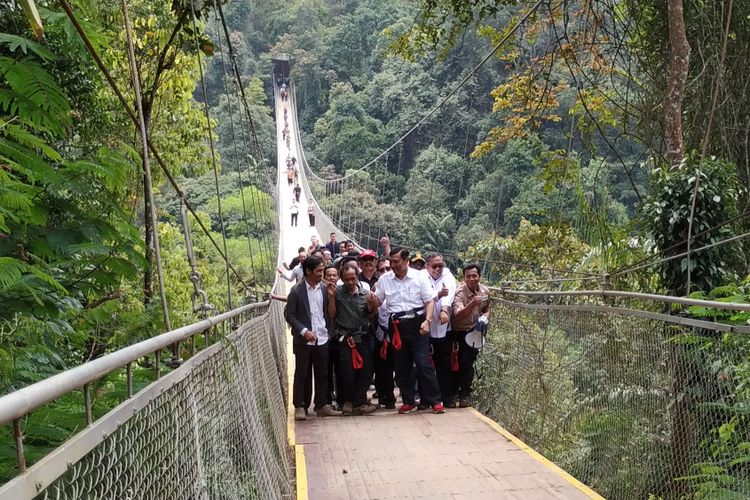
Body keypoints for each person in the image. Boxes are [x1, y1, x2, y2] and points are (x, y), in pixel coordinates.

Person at [370, 247, 444, 414]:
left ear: (406, 261)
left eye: (396, 262)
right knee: (401, 365)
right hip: (396, 325)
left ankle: (435, 400)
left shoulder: (419, 277)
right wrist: (371, 301)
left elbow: (430, 301)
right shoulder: (384, 280)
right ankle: (408, 401)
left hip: (418, 324)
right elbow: (377, 303)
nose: (393, 265)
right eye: (391, 262)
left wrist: (427, 321)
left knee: (423, 363)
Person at [284, 256, 342, 420]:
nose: (321, 274)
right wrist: (304, 331)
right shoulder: (296, 291)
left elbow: (331, 315)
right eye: (318, 271)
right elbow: (289, 314)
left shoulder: (324, 289)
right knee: (302, 373)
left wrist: (331, 297)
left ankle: (321, 405)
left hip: (322, 338)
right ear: (308, 271)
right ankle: (301, 406)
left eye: (322, 270)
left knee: (323, 372)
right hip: (304, 340)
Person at [328, 263, 378, 416]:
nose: (350, 282)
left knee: (366, 370)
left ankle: (360, 400)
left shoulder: (366, 293)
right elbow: (332, 315)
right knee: (346, 370)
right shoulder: (337, 292)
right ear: (342, 279)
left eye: (353, 278)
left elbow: (370, 315)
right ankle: (347, 401)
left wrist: (371, 306)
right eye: (346, 279)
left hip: (363, 337)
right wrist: (331, 298)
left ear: (357, 277)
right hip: (345, 338)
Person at [450, 264, 491, 408]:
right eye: (468, 276)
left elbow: (487, 308)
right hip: (457, 332)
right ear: (464, 278)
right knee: (456, 362)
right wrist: (472, 304)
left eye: (474, 276)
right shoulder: (460, 293)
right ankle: (453, 392)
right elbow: (459, 315)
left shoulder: (485, 290)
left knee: (468, 363)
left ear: (479, 277)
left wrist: (485, 317)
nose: (472, 279)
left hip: (474, 331)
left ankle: (464, 394)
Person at [422, 253, 458, 407]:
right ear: (427, 265)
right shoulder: (421, 277)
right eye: (434, 266)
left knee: (444, 364)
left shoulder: (448, 276)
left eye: (440, 266)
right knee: (425, 365)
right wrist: (437, 295)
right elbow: (422, 297)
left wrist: (444, 310)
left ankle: (446, 398)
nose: (437, 269)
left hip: (444, 328)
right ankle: (425, 399)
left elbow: (448, 295)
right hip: (425, 327)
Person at [372, 256, 396, 409]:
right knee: (382, 367)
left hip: (397, 333)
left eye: (388, 268)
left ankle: (394, 396)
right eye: (382, 270)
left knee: (398, 366)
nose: (385, 272)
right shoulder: (376, 290)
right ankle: (385, 396)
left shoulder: (399, 285)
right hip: (380, 333)